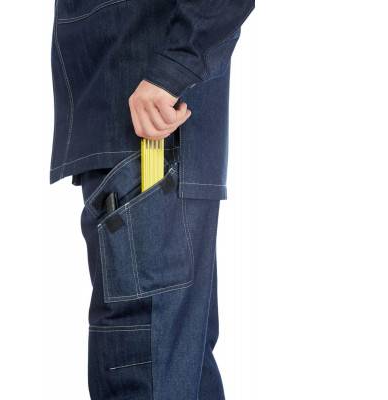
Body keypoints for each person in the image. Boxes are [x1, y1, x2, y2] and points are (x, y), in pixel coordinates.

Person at [50, 1, 254, 398]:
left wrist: (171, 69)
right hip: (134, 128)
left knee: (146, 361)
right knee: (171, 364)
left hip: (150, 134)